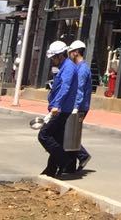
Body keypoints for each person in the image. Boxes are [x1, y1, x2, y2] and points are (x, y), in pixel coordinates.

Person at [38, 40, 72, 177]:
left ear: (60, 55)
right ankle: (51, 169)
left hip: (62, 109)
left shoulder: (68, 67)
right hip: (59, 107)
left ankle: (64, 160)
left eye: (53, 57)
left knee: (44, 135)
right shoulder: (63, 67)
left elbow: (65, 88)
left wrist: (57, 105)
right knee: (56, 138)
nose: (52, 60)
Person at [65, 39, 94, 174]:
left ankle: (82, 155)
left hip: (79, 107)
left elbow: (79, 90)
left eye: (70, 52)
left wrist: (75, 107)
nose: (69, 55)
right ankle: (70, 165)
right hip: (77, 106)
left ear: (76, 52)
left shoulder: (82, 69)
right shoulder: (78, 67)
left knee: (70, 134)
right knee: (70, 134)